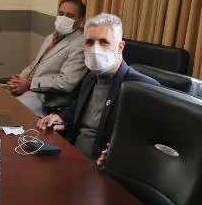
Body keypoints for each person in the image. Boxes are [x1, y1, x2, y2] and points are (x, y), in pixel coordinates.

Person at [37, 13, 160, 164]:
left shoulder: (142, 88)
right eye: (89, 42)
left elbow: (147, 145)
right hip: (72, 156)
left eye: (103, 42)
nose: (95, 48)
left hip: (101, 166)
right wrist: (62, 118)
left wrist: (120, 155)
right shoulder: (90, 76)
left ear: (120, 47)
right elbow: (77, 107)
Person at [8, 0, 88, 116]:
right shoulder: (52, 37)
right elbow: (36, 64)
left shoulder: (80, 44)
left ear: (80, 19)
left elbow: (67, 82)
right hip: (26, 89)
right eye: (61, 14)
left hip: (43, 97)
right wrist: (19, 80)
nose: (63, 18)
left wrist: (29, 84)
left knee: (8, 111)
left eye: (70, 16)